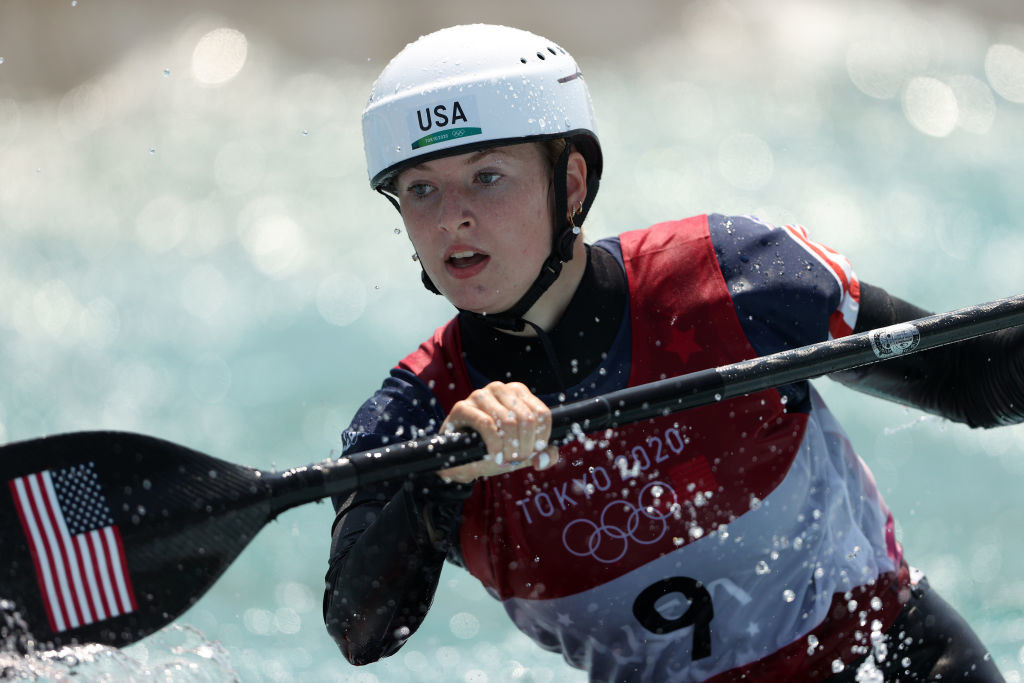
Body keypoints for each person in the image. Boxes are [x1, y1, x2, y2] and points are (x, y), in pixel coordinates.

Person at [323, 24, 1022, 682]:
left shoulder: (730, 278)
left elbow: (974, 379)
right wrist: (438, 479)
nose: (451, 218)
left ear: (569, 184)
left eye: (487, 176)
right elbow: (361, 633)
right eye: (420, 188)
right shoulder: (415, 417)